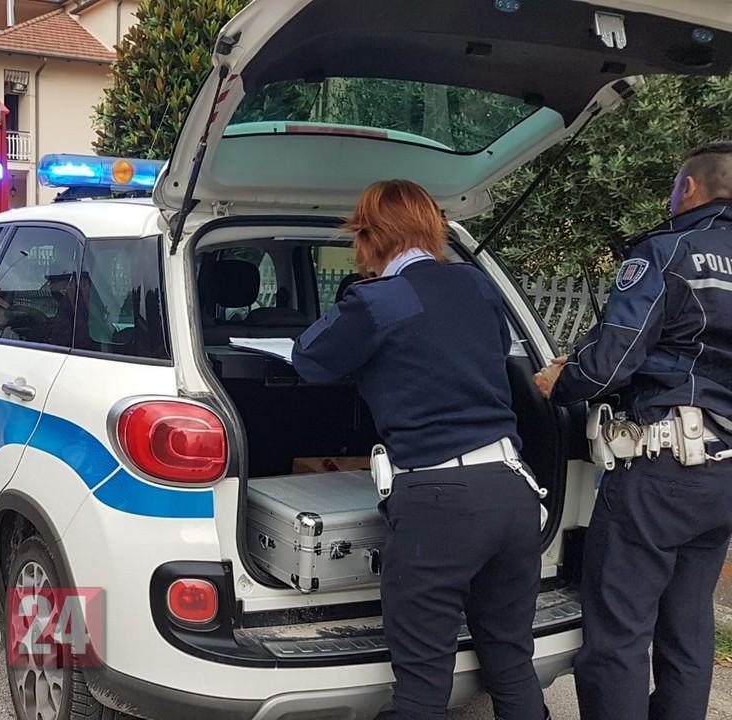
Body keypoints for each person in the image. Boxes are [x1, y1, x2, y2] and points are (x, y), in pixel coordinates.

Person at [293, 180, 547, 720]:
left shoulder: (377, 300)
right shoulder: (477, 284)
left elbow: (309, 359)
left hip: (440, 502)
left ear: (368, 236)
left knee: (423, 682)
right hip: (513, 487)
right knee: (510, 659)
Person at [535, 142, 732, 720]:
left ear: (688, 188)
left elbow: (608, 365)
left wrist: (559, 382)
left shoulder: (667, 252)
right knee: (688, 627)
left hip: (662, 473)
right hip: (723, 477)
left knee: (618, 634)